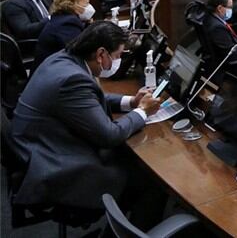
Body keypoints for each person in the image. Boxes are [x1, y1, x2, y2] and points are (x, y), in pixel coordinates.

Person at [10, 22, 162, 212]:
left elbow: (88, 98)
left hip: (40, 143)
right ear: (100, 54)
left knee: (132, 159)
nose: (117, 62)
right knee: (152, 182)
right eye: (116, 56)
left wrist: (131, 101)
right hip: (55, 163)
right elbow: (109, 136)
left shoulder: (62, 59)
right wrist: (142, 111)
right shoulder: (72, 79)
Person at [34, 0, 93, 67]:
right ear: (73, 5)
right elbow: (79, 52)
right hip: (52, 73)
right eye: (86, 4)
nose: (89, 7)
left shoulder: (62, 18)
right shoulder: (67, 24)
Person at [203, 0, 237, 68]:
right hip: (233, 65)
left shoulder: (211, 17)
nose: (231, 10)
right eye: (229, 7)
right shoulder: (217, 28)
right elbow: (232, 55)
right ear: (219, 8)